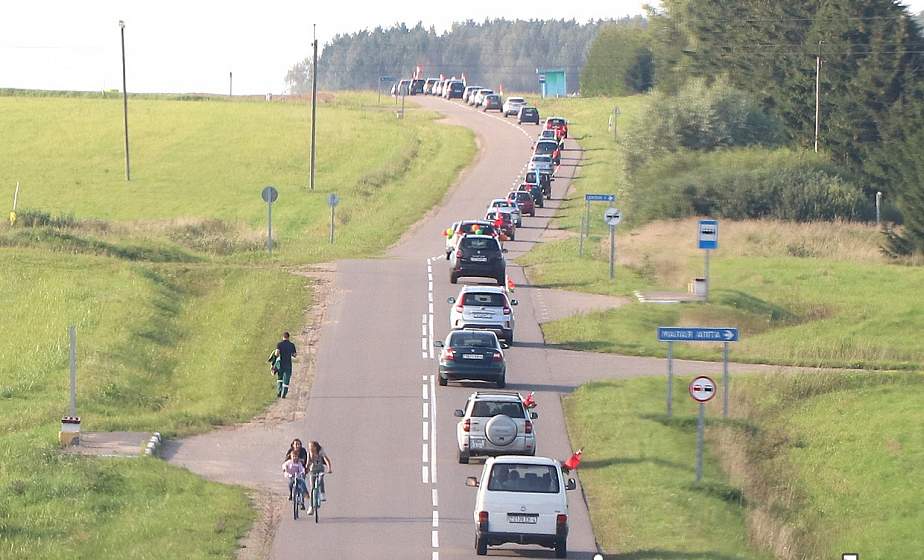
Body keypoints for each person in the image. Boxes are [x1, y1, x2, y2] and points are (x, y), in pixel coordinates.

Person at [267, 331, 297, 398]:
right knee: (286, 380)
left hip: (280, 364)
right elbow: (295, 355)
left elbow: (277, 353)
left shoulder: (279, 344)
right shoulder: (292, 345)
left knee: (280, 378)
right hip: (288, 364)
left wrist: (274, 360)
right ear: (288, 337)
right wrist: (291, 353)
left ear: (283, 337)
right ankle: (284, 394)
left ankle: (279, 392)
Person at [306, 440, 333, 513]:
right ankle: (311, 506)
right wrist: (306, 470)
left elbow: (327, 460)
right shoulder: (309, 454)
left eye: (311, 446)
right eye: (309, 447)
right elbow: (308, 463)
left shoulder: (320, 452)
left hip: (320, 470)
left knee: (320, 479)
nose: (310, 448)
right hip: (312, 471)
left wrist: (329, 468)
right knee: (312, 489)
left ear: (315, 447)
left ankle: (322, 493)